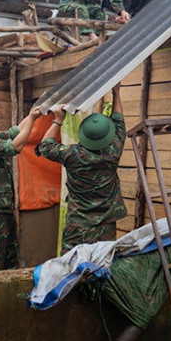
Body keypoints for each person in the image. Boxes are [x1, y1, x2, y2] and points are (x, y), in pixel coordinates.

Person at [35, 84, 128, 253]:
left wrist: (58, 119)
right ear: (107, 135)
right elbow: (119, 120)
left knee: (70, 266)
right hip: (106, 225)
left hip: (78, 225)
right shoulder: (114, 149)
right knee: (102, 264)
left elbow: (46, 147)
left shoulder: (73, 155)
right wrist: (116, 93)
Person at [0, 106, 42, 275]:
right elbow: (16, 146)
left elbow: (16, 130)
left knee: (10, 260)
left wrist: (33, 112)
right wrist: (32, 119)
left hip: (3, 209)